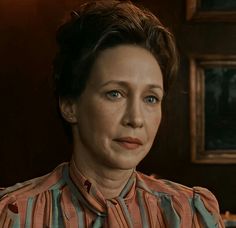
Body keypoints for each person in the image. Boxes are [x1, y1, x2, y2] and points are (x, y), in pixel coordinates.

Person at [0, 1, 224, 227]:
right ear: (69, 105)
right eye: (115, 94)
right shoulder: (14, 213)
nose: (136, 119)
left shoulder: (188, 213)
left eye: (151, 98)